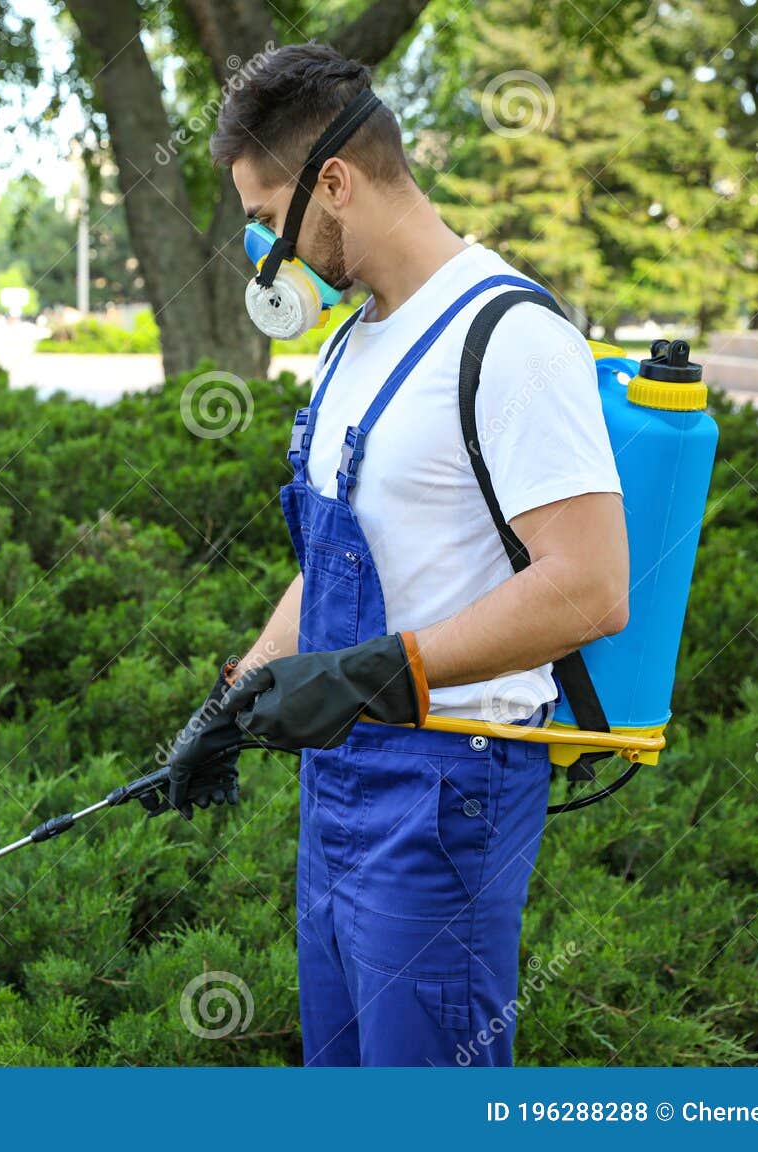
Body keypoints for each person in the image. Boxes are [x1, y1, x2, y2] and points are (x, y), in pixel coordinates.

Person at [163, 43, 628, 1067]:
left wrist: (384, 671)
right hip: (338, 786)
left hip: (446, 789)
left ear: (333, 181)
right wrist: (235, 693)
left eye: (261, 212)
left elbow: (591, 588)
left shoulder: (508, 337)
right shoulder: (349, 345)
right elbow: (335, 554)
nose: (258, 248)